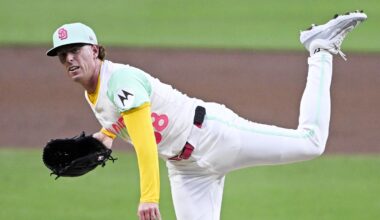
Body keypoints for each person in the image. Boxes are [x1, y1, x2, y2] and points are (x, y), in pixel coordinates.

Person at [46, 11, 367, 220]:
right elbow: (122, 120)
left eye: (76, 50)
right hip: (187, 172)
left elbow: (143, 140)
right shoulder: (96, 90)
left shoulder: (120, 80)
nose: (70, 59)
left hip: (213, 136)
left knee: (311, 143)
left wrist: (148, 197)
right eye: (63, 56)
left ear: (95, 50)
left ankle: (319, 49)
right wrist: (106, 136)